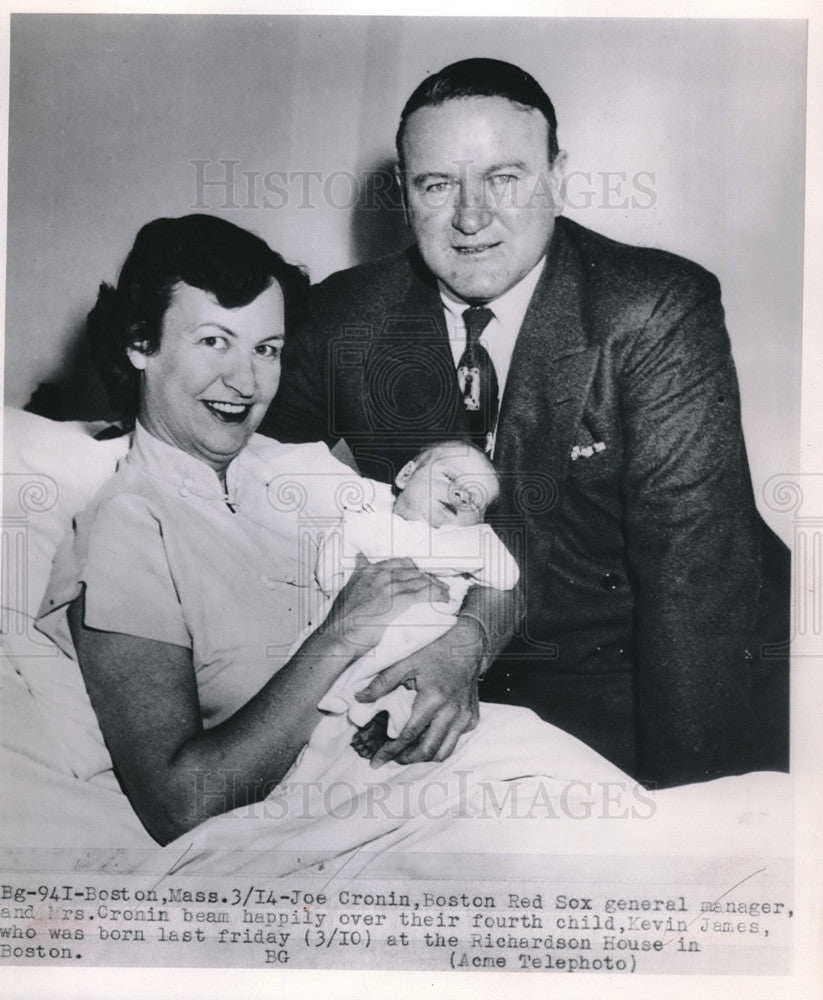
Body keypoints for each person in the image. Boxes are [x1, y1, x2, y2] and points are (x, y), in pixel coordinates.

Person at [34, 214, 627, 865]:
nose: (246, 381)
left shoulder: (297, 468)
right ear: (139, 343)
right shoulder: (129, 527)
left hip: (450, 758)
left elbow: (485, 567)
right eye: (214, 342)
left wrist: (463, 647)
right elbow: (182, 802)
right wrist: (342, 632)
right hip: (335, 810)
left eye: (267, 349)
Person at [264, 57, 790, 787]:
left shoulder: (655, 308)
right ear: (405, 195)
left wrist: (694, 809)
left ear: (556, 173)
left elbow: (694, 580)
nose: (471, 217)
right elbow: (235, 444)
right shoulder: (348, 316)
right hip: (480, 690)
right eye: (437, 184)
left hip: (659, 682)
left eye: (504, 178)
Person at [309, 439, 518, 758]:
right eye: (450, 478)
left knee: (420, 687)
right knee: (345, 678)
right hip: (365, 631)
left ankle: (386, 724)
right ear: (406, 475)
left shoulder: (470, 542)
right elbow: (331, 573)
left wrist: (483, 539)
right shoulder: (366, 522)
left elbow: (507, 577)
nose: (460, 494)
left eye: (474, 500)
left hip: (427, 643)